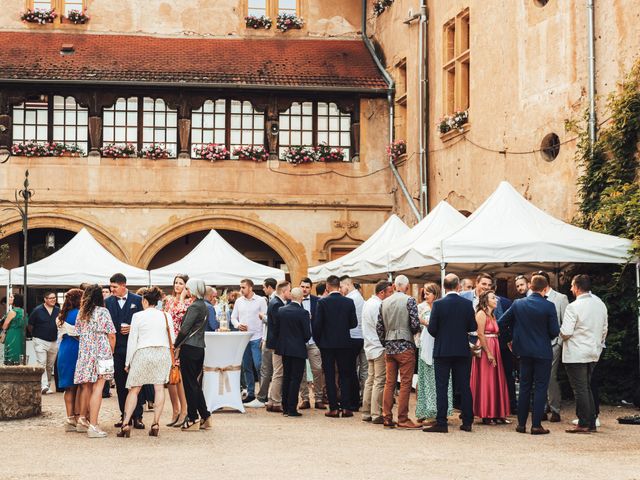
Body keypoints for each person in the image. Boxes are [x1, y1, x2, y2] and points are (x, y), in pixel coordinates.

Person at [499, 274, 559, 435]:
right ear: (545, 288)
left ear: (530, 287)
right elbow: (554, 331)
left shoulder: (518, 304)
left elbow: (501, 323)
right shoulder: (549, 306)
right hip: (542, 351)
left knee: (525, 386)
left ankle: (521, 424)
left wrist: (512, 338)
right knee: (540, 388)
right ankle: (536, 425)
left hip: (523, 351)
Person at [117, 286, 175, 438]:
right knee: (159, 389)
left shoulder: (137, 316)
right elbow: (173, 339)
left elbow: (132, 341)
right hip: (162, 352)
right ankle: (155, 423)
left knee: (134, 389)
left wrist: (127, 362)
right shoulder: (166, 316)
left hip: (143, 352)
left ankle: (125, 424)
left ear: (144, 300)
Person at [424, 274, 477, 433]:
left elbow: (432, 329)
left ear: (444, 287)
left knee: (441, 386)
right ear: (458, 287)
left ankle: (441, 422)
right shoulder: (467, 304)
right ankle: (467, 421)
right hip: (461, 349)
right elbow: (472, 326)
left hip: (443, 350)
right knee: (464, 386)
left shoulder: (438, 304)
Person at [561, 274, 607, 434]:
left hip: (576, 353)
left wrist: (558, 333)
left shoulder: (573, 307)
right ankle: (591, 422)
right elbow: (604, 329)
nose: (571, 289)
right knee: (586, 387)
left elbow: (566, 332)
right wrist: (598, 344)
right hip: (594, 351)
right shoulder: (600, 304)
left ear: (578, 287)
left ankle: (584, 422)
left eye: (572, 286)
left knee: (580, 389)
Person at [376, 275, 421, 429]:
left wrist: (385, 342)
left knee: (389, 383)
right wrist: (414, 332)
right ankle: (402, 418)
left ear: (394, 286)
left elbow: (379, 327)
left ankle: (387, 417)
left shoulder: (384, 302)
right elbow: (415, 324)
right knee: (406, 383)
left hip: (389, 347)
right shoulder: (410, 300)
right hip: (405, 345)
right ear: (407, 287)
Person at [74, 285, 117, 438]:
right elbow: (111, 334)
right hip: (102, 352)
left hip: (86, 352)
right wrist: (111, 351)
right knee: (98, 388)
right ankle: (93, 425)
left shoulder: (82, 313)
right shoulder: (103, 311)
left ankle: (82, 420)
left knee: (86, 386)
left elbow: (77, 333)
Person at [312, 275, 358, 418]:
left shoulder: (323, 303)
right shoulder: (349, 302)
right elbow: (353, 323)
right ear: (339, 286)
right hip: (344, 343)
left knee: (330, 376)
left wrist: (319, 342)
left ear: (327, 287)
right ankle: (345, 407)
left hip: (327, 344)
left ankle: (333, 408)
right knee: (345, 375)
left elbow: (317, 325)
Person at [105, 273, 145, 430]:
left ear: (123, 285)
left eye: (114, 287)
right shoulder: (107, 302)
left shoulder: (137, 300)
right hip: (116, 349)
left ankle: (138, 416)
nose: (111, 290)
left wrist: (133, 328)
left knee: (136, 383)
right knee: (121, 383)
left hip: (134, 348)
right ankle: (124, 415)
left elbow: (144, 322)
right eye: (111, 287)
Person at [174, 278, 212, 431]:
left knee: (190, 385)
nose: (187, 291)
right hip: (199, 347)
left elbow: (184, 329)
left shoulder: (195, 306)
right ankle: (205, 415)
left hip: (189, 347)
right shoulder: (204, 306)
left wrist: (175, 345)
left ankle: (192, 417)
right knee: (194, 384)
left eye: (188, 289)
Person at [532, 271, 569, 422]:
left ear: (546, 285)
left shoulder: (561, 298)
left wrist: (559, 342)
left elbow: (566, 321)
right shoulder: (531, 298)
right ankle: (542, 409)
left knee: (550, 377)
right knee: (538, 377)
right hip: (536, 344)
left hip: (553, 343)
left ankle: (554, 409)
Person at [470, 290, 511, 424]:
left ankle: (496, 412)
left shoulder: (492, 315)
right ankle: (486, 413)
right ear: (486, 300)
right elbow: (480, 334)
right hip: (486, 347)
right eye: (493, 298)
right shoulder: (481, 314)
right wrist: (488, 352)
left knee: (496, 379)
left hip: (495, 346)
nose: (496, 300)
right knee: (486, 380)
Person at [415, 282, 453, 422]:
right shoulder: (420, 307)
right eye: (424, 293)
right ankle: (427, 410)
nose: (425, 296)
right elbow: (415, 326)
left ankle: (441, 411)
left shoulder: (442, 306)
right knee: (425, 379)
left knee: (441, 380)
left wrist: (425, 322)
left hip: (439, 344)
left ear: (435, 293)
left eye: (428, 293)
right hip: (425, 344)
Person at [231, 278, 268, 406]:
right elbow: (233, 318)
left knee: (259, 365)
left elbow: (266, 319)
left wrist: (264, 338)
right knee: (246, 366)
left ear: (250, 288)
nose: (241, 289)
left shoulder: (261, 300)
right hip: (244, 338)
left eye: (243, 287)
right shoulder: (238, 301)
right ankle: (251, 393)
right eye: (240, 287)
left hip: (257, 337)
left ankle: (263, 394)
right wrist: (238, 325)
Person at [277, 287, 312, 417]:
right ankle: (292, 408)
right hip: (298, 349)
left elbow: (277, 330)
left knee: (286, 377)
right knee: (295, 379)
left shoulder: (281, 310)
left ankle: (285, 406)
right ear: (301, 297)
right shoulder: (303, 313)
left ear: (291, 296)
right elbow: (307, 335)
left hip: (285, 348)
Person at [163, 274, 192, 427]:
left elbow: (182, 317)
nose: (177, 285)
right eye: (176, 282)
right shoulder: (168, 300)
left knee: (179, 378)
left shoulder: (188, 302)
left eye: (181, 283)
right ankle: (175, 410)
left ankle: (184, 411)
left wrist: (181, 298)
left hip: (180, 342)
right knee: (170, 379)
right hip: (168, 341)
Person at [361, 280, 392, 424]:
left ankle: (366, 412)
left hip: (369, 345)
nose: (391, 295)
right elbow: (382, 326)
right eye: (389, 292)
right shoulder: (379, 305)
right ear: (382, 292)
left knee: (370, 380)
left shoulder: (367, 303)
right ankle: (375, 413)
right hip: (379, 347)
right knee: (379, 381)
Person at [56, 288, 83, 432]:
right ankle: (79, 417)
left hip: (64, 350)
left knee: (68, 387)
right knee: (79, 385)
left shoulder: (61, 315)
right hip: (77, 350)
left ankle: (69, 417)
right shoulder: (80, 314)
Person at [340, 275, 367, 411]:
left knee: (349, 370)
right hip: (359, 337)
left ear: (347, 285)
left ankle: (353, 401)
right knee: (352, 371)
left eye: (341, 287)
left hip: (353, 337)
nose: (341, 290)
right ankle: (354, 400)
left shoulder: (351, 298)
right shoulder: (358, 297)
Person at [263, 281, 290, 412]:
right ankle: (275, 401)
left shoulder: (274, 302)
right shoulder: (277, 304)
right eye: (289, 291)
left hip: (275, 342)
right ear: (284, 291)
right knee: (279, 372)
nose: (290, 293)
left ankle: (271, 401)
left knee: (277, 371)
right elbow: (278, 325)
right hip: (277, 342)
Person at [299, 277, 325, 409]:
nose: (304, 289)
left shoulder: (318, 301)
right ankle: (304, 398)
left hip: (314, 341)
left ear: (311, 288)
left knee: (318, 369)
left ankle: (319, 397)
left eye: (307, 287)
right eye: (302, 287)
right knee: (301, 371)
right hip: (299, 342)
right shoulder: (294, 301)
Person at [28, 291, 60, 394]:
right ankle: (44, 385)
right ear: (45, 299)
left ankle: (47, 384)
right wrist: (35, 335)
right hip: (40, 340)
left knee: (49, 365)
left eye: (54, 298)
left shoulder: (58, 311)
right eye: (50, 298)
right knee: (42, 362)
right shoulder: (37, 310)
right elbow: (30, 325)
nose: (53, 300)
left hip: (54, 341)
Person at [257, 277, 277, 406]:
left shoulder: (274, 300)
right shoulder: (271, 299)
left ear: (270, 287)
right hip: (267, 338)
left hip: (271, 340)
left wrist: (263, 317)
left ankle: (262, 397)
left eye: (264, 287)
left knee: (266, 369)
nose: (263, 290)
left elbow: (273, 320)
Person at [1, 294, 26, 365]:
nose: (9, 298)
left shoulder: (12, 312)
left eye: (11, 297)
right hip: (20, 334)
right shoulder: (23, 311)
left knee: (11, 352)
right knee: (19, 351)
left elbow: (4, 326)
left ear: (16, 300)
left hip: (12, 334)